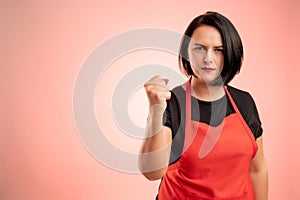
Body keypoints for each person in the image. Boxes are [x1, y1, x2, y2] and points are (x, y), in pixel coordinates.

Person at [138, 11, 268, 200]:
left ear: (230, 53)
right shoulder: (172, 102)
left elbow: (257, 169)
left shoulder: (244, 102)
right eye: (200, 48)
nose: (208, 58)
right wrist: (155, 111)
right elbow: (152, 172)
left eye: (218, 50)